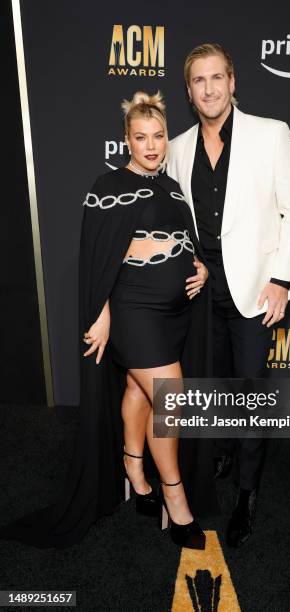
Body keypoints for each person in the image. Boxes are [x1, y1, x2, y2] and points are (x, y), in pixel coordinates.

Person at [0, 91, 218, 550]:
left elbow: (184, 238)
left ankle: (135, 472)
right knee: (172, 400)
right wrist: (99, 314)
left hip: (174, 314)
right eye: (141, 137)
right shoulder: (108, 186)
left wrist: (199, 267)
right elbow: (97, 260)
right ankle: (174, 500)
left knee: (140, 392)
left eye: (158, 136)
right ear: (127, 140)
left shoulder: (172, 186)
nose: (152, 145)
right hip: (133, 313)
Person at [167, 43, 290, 547]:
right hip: (201, 292)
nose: (209, 88)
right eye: (199, 81)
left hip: (252, 293)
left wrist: (281, 279)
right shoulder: (178, 147)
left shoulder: (270, 135)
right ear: (189, 91)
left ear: (232, 82)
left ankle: (248, 494)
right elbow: (177, 223)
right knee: (212, 380)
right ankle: (221, 452)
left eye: (217, 78)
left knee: (249, 392)